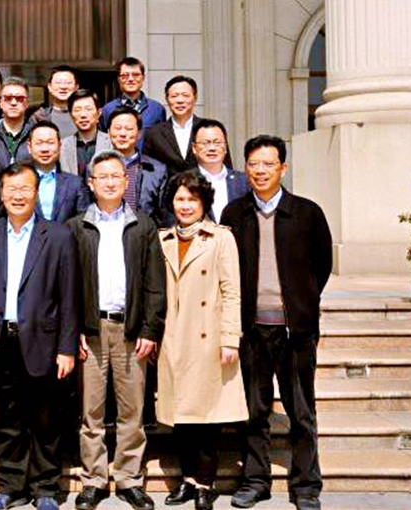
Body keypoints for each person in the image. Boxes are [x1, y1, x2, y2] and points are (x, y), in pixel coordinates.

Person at [221, 135, 332, 510]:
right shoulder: (234, 214)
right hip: (252, 330)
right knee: (255, 412)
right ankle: (256, 480)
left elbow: (321, 266)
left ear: (283, 168)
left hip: (295, 332)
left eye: (269, 164)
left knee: (301, 412)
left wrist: (301, 305)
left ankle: (306, 485)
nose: (261, 171)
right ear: (246, 169)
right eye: (254, 164)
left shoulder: (307, 213)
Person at [0, 163, 79, 510]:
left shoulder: (58, 236)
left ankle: (46, 488)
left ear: (37, 192)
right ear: (1, 193)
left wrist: (66, 347)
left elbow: (69, 297)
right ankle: (11, 487)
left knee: (46, 418)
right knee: (5, 419)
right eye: (11, 189)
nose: (18, 195)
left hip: (44, 342)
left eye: (25, 188)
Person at [66, 151, 164, 510]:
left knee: (131, 411)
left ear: (126, 182)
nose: (109, 182)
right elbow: (68, 284)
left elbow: (155, 283)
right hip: (91, 331)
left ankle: (129, 479)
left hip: (131, 330)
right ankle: (93, 480)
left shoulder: (143, 225)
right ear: (91, 184)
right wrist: (72, 329)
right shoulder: (76, 227)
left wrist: (150, 329)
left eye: (115, 176)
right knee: (91, 413)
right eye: (102, 177)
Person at [157, 171, 247, 510]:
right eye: (180, 199)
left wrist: (230, 338)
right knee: (180, 416)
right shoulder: (162, 239)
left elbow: (232, 291)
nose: (185, 206)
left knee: (209, 416)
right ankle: (187, 480)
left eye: (192, 200)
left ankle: (206, 484)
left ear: (204, 203)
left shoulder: (221, 238)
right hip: (173, 337)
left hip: (209, 336)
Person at [102, 107, 167, 223]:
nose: (122, 134)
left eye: (129, 129)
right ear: (108, 132)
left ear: (139, 133)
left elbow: (163, 213)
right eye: (117, 128)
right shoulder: (96, 167)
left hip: (145, 231)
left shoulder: (157, 170)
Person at [26, 120, 89, 223]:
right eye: (39, 143)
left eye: (50, 143)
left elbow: (82, 221)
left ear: (60, 146)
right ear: (29, 147)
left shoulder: (75, 183)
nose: (45, 149)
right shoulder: (19, 182)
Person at [142, 76, 203, 176]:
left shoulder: (208, 129)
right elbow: (148, 172)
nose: (180, 100)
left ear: (195, 98)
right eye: (174, 96)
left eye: (185, 95)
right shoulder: (154, 134)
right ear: (167, 99)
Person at [189, 118, 248, 222]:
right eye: (205, 143)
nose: (212, 148)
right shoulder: (183, 182)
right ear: (194, 148)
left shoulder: (244, 181)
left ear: (225, 147)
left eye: (217, 143)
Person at [99, 57, 166, 134]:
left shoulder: (157, 109)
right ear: (119, 80)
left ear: (143, 78)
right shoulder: (108, 110)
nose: (130, 79)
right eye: (125, 76)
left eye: (136, 75)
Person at [0, 77, 33, 168]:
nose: (13, 103)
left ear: (27, 103)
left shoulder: (36, 136)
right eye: (8, 98)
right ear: (0, 103)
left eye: (20, 98)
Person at [60, 89, 110, 179]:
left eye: (88, 109)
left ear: (99, 113)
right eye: (77, 110)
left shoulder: (111, 143)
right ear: (71, 115)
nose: (83, 115)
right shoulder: (62, 146)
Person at [27, 65, 79, 138]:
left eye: (68, 83)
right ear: (49, 87)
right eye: (58, 82)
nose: (63, 87)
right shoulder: (39, 117)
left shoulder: (87, 114)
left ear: (76, 87)